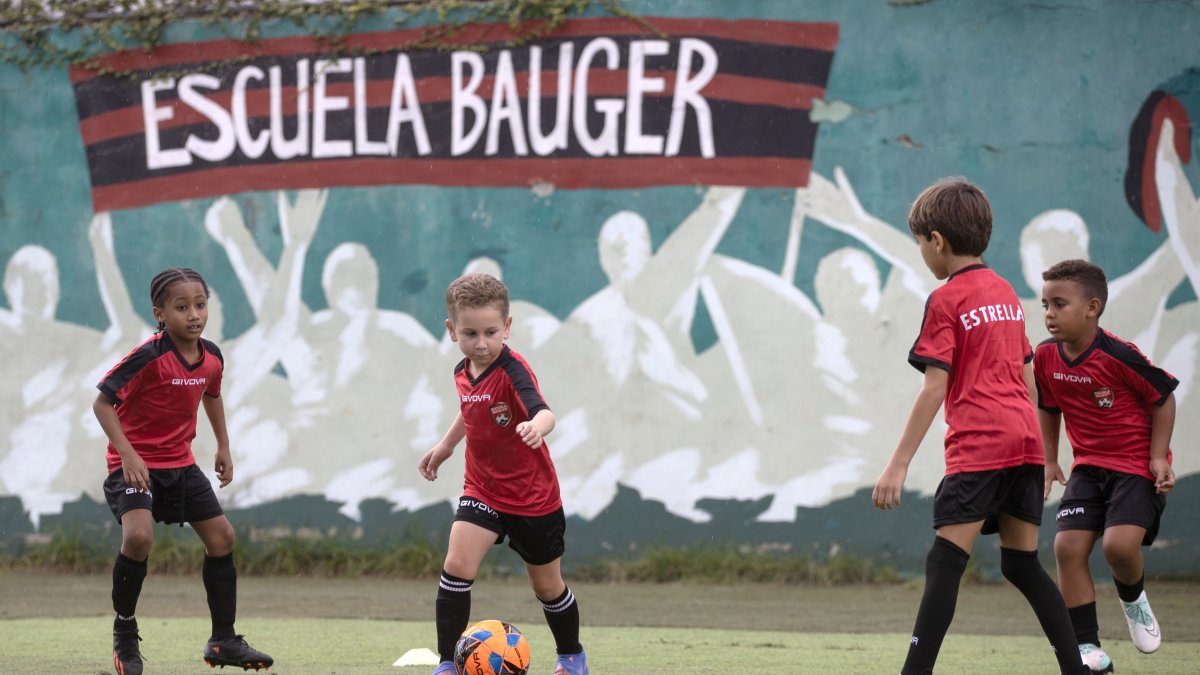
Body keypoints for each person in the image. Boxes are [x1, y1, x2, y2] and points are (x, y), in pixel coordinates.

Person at [871, 178, 1088, 675]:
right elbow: (1027, 373)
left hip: (982, 447)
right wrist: (1041, 448)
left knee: (944, 562)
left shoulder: (947, 299)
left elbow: (933, 388)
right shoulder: (1006, 293)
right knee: (1021, 563)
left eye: (920, 243)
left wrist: (896, 464)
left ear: (937, 241)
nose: (923, 252)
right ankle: (1076, 668)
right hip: (1026, 444)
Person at [93, 267, 272, 674]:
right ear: (160, 313)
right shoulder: (148, 357)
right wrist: (127, 454)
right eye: (181, 307)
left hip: (181, 466)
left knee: (223, 538)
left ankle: (223, 640)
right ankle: (124, 634)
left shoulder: (211, 357)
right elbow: (102, 403)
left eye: (200, 305)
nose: (193, 314)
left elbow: (212, 394)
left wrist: (223, 444)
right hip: (134, 467)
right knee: (138, 538)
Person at [418, 273, 587, 675]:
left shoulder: (513, 371)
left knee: (547, 587)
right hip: (482, 489)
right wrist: (446, 446)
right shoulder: (462, 370)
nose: (481, 343)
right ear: (451, 330)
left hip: (532, 497)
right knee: (457, 566)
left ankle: (571, 657)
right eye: (470, 333)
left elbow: (543, 410)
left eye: (491, 332)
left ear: (507, 328)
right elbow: (470, 407)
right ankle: (448, 665)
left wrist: (537, 427)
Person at [1036, 259, 1178, 673]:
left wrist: (1157, 456)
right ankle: (1087, 648)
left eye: (1059, 304)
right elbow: (1047, 404)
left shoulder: (1119, 355)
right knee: (1065, 548)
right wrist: (1049, 458)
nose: (1048, 314)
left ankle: (1134, 602)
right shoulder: (1044, 357)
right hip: (1088, 467)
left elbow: (1163, 397)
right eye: (1045, 304)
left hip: (1135, 467)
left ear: (1092, 307)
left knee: (1118, 547)